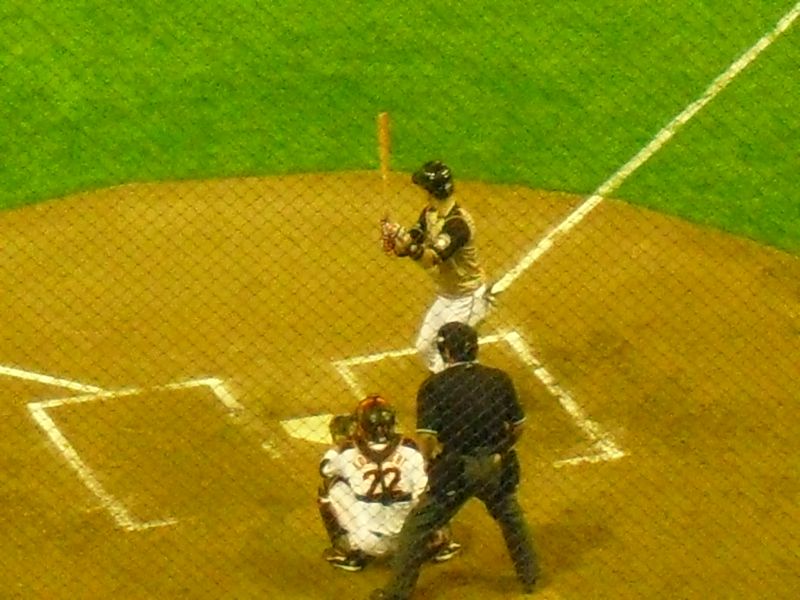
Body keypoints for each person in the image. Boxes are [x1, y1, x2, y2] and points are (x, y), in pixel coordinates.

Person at [369, 322, 539, 599]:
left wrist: (428, 462)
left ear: (446, 351)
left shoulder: (435, 385)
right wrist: (501, 450)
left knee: (417, 527)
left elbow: (427, 437)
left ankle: (396, 593)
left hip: (456, 470)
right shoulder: (499, 379)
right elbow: (518, 426)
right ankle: (530, 578)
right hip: (495, 466)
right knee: (512, 519)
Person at [317, 395, 461, 572]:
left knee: (331, 484)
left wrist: (339, 446)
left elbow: (324, 469)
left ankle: (349, 552)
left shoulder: (349, 452)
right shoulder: (409, 449)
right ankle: (440, 541)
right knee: (432, 484)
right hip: (414, 538)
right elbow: (424, 492)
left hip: (370, 542)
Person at [387, 160, 493, 374]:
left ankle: (463, 382)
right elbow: (410, 242)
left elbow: (430, 259)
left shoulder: (458, 224)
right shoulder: (430, 213)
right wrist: (396, 236)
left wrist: (408, 247)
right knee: (424, 347)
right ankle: (450, 378)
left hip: (468, 298)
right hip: (446, 296)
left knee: (452, 355)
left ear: (431, 190)